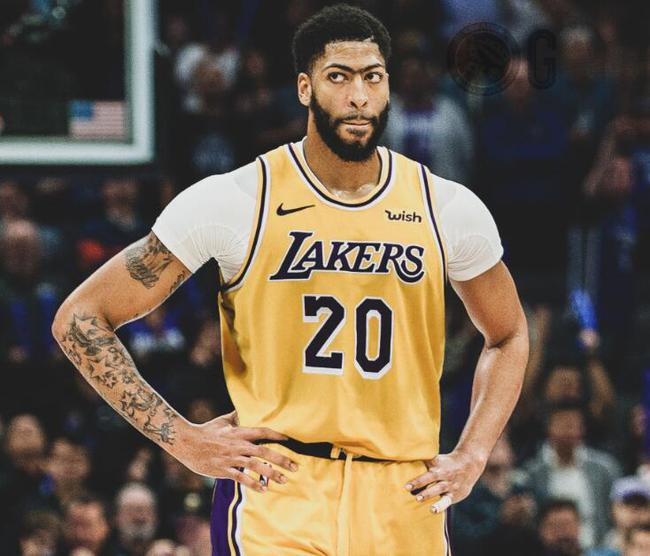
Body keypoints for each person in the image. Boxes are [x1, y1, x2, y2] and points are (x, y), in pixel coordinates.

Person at [52, 5, 528, 555]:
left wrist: (473, 454)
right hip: (277, 488)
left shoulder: (445, 206)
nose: (358, 96)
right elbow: (80, 318)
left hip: (404, 494)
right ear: (305, 88)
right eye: (339, 77)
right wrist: (182, 440)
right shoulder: (235, 199)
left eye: (373, 77)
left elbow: (509, 333)